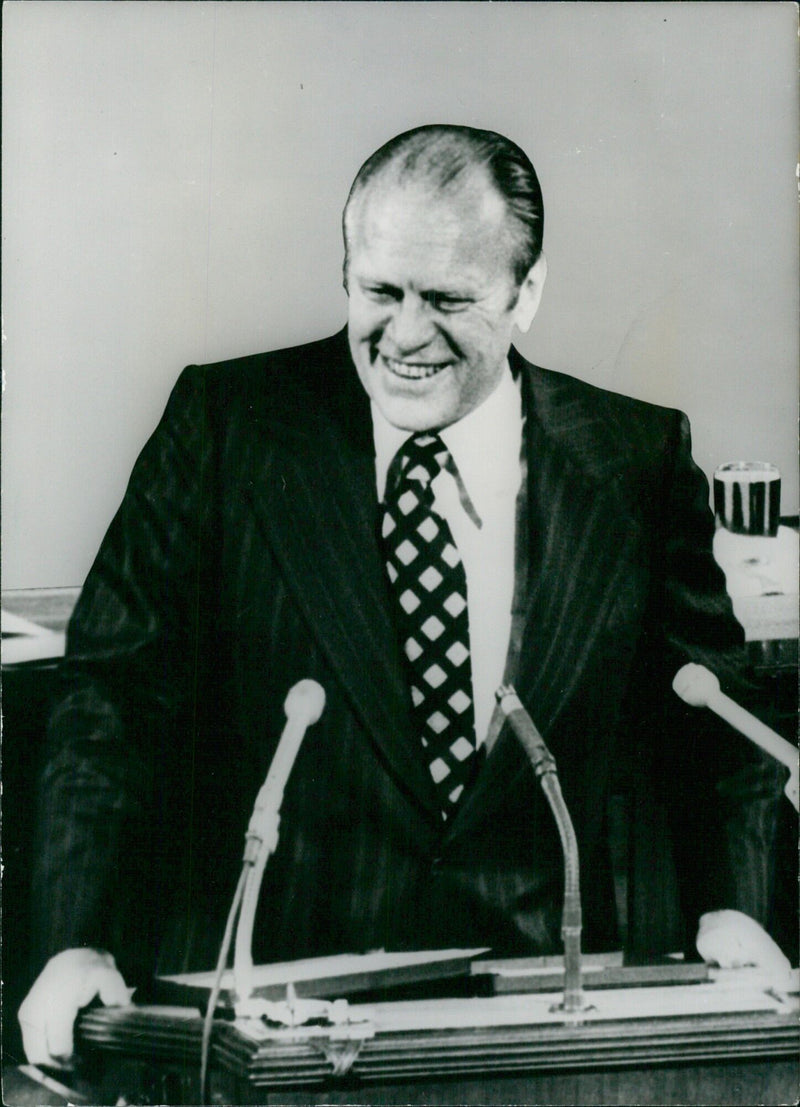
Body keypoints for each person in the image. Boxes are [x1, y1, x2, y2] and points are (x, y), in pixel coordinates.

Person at [19, 125, 790, 1069]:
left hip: (542, 1027)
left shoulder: (635, 459)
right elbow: (110, 706)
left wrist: (737, 908)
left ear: (527, 291)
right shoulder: (227, 431)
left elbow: (716, 718)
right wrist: (73, 938)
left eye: (449, 298)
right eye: (379, 291)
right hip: (277, 1021)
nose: (407, 334)